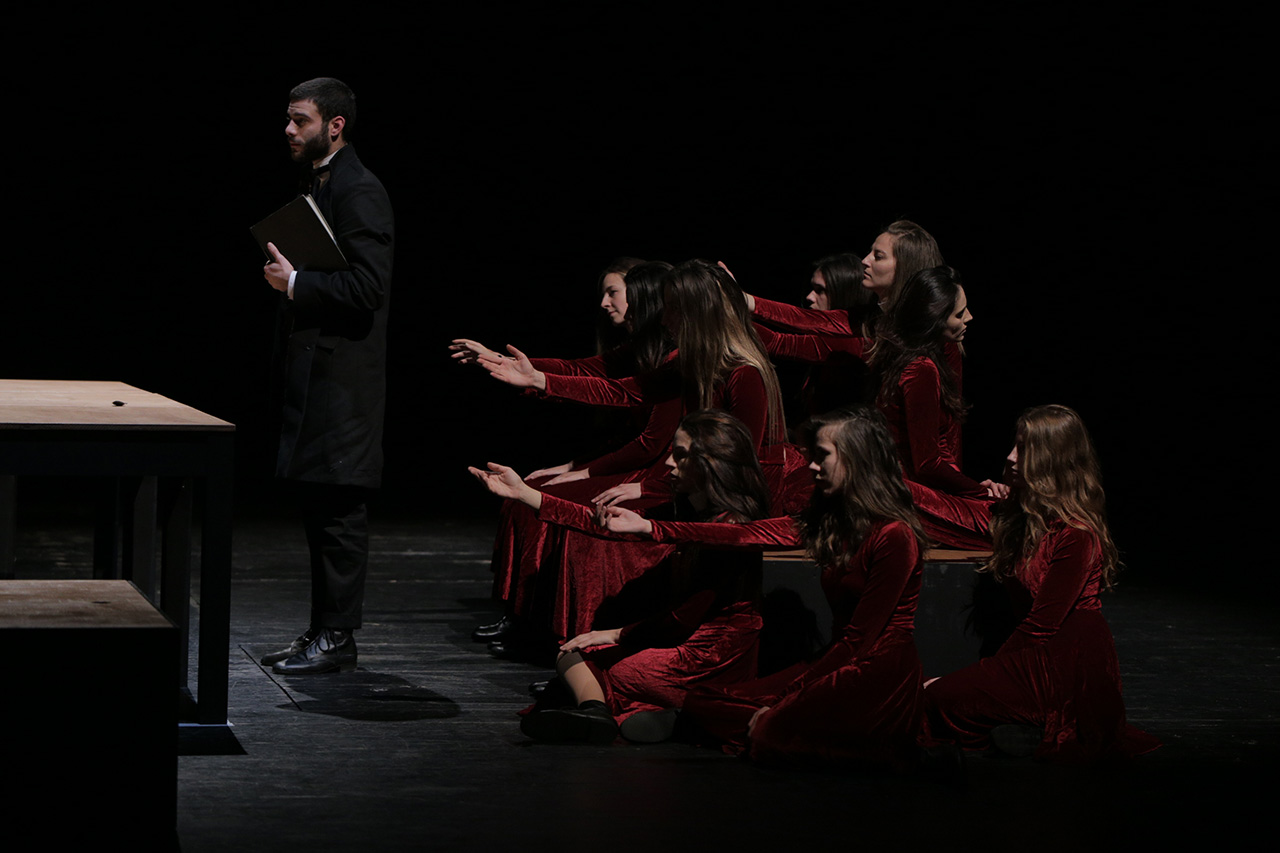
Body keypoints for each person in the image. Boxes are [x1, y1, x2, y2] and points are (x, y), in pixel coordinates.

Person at [600, 406, 933, 770]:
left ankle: (895, 752)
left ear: (857, 460)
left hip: (877, 672)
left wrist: (784, 700)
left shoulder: (894, 536)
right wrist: (651, 528)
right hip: (837, 659)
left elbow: (859, 641)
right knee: (702, 699)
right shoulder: (830, 522)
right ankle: (724, 721)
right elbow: (744, 534)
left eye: (822, 456)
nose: (811, 466)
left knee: (770, 730)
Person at [470, 410, 771, 744]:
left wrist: (616, 634)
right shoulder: (687, 508)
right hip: (681, 638)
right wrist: (524, 493)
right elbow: (602, 524)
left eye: (681, 455)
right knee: (572, 654)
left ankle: (662, 712)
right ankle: (607, 712)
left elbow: (683, 618)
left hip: (711, 656)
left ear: (711, 463)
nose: (668, 463)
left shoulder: (730, 530)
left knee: (593, 663)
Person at [452, 261, 680, 647]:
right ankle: (523, 613)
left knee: (548, 495)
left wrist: (583, 473)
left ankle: (550, 628)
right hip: (634, 460)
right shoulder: (640, 349)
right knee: (527, 492)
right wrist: (497, 359)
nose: (605, 303)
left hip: (656, 470)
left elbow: (650, 444)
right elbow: (580, 370)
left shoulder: (674, 358)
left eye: (614, 292)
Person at [922, 405, 1161, 762]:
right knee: (938, 697)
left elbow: (1041, 626)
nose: (1010, 457)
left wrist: (983, 674)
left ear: (1052, 460)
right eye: (1014, 445)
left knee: (939, 695)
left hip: (1068, 662)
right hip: (1034, 652)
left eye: (1024, 449)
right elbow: (941, 512)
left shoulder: (1075, 533)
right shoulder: (1021, 518)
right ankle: (1017, 726)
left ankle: (1030, 724)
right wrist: (977, 494)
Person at [259, 77, 394, 674]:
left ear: (335, 125)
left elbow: (368, 287)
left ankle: (338, 637)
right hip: (319, 376)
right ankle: (322, 629)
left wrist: (294, 283)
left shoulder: (359, 189)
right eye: (289, 119)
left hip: (345, 384)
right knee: (318, 505)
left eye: (301, 120)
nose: (289, 130)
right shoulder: (320, 182)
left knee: (339, 509)